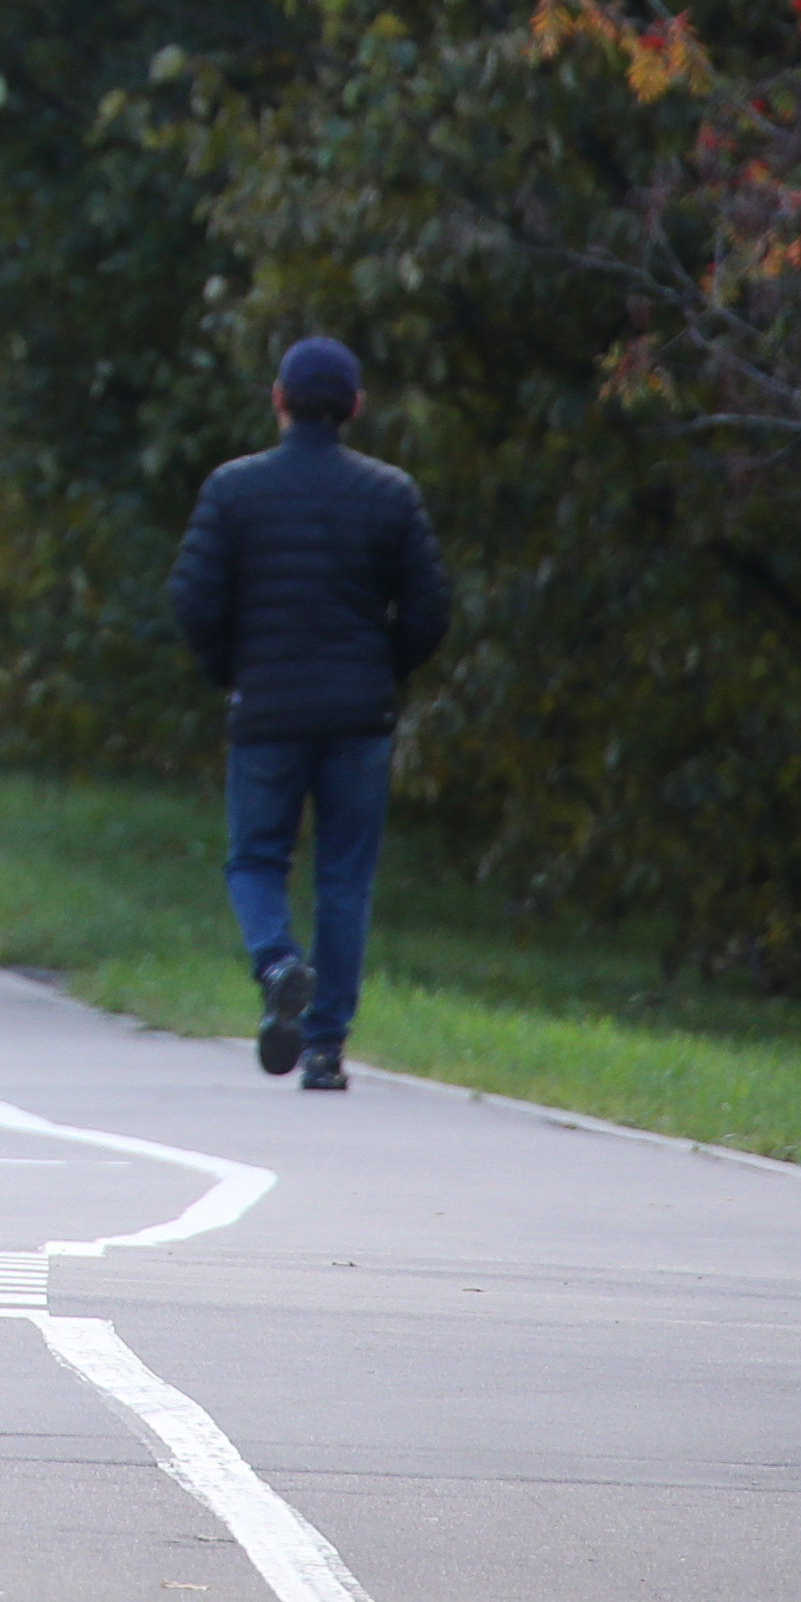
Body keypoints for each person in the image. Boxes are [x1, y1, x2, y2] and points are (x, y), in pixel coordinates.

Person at [165, 335, 453, 1095]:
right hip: (359, 714)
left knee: (256, 858)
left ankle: (277, 962)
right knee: (344, 878)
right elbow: (430, 608)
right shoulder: (390, 494)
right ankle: (325, 1049)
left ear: (279, 401)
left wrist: (233, 668)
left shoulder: (234, 491)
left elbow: (191, 597)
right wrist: (381, 670)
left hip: (266, 708)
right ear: (354, 406)